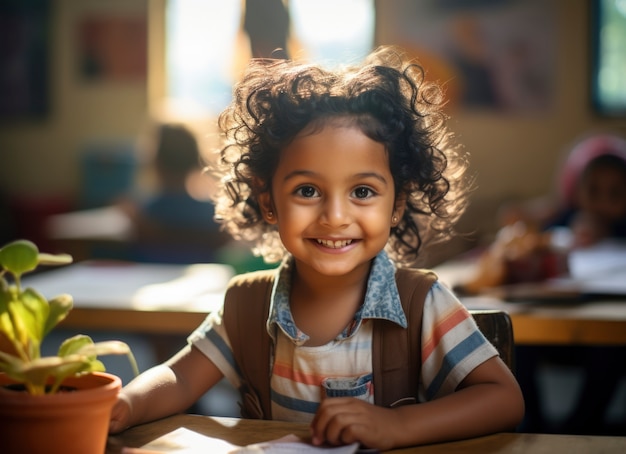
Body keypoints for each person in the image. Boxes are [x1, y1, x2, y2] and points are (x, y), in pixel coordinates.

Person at [108, 46, 524, 450]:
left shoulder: (422, 304)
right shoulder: (247, 307)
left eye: (362, 191)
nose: (335, 216)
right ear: (268, 200)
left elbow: (504, 399)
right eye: (307, 190)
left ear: (397, 203)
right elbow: (179, 379)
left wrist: (398, 424)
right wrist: (126, 404)